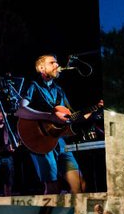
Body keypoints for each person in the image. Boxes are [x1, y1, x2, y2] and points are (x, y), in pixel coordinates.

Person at [15, 54, 87, 194]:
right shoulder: (33, 85)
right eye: (52, 62)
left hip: (60, 141)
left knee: (80, 185)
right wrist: (49, 116)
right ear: (42, 68)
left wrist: (92, 112)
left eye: (57, 62)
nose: (57, 65)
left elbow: (71, 115)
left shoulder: (58, 90)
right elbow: (20, 111)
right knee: (53, 188)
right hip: (41, 140)